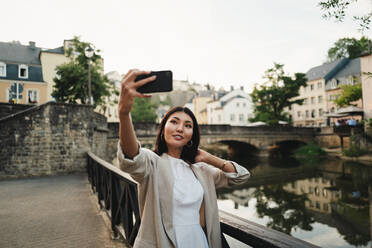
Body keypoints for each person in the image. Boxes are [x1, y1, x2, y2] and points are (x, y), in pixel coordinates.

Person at [117, 69, 251, 248]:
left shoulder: (201, 170)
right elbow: (131, 156)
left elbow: (242, 176)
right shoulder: (153, 163)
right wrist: (124, 114)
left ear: (192, 134)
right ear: (163, 128)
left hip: (197, 241)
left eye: (187, 125)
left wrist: (210, 158)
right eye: (174, 122)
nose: (180, 128)